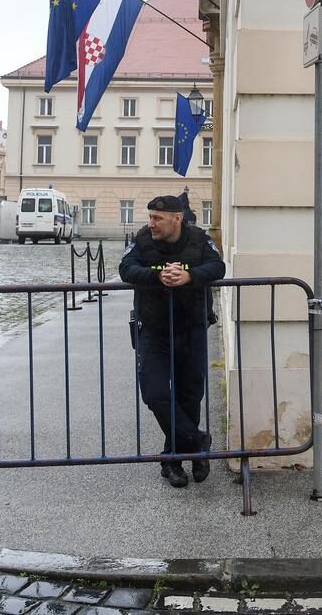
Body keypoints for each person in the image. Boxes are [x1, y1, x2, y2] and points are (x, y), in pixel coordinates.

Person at [120, 194, 224, 488]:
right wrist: (158, 277)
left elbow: (217, 267)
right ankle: (197, 444)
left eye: (158, 218)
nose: (151, 223)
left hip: (191, 328)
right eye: (150, 217)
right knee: (155, 394)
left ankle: (174, 460)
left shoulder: (198, 240)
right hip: (154, 330)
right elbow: (126, 268)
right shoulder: (142, 240)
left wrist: (189, 276)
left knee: (190, 395)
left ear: (176, 219)